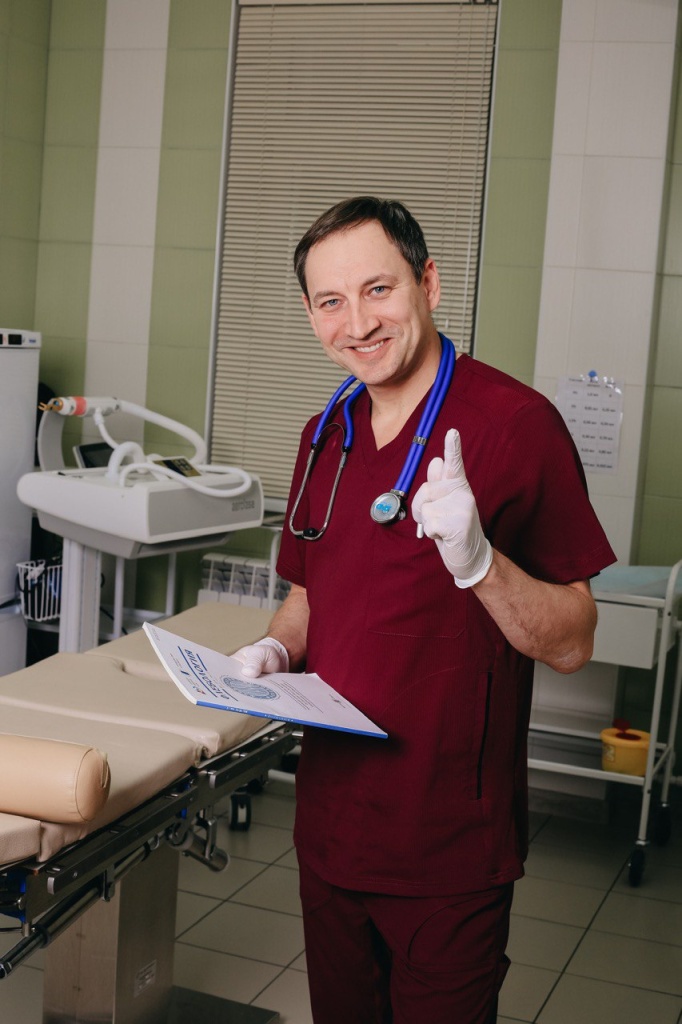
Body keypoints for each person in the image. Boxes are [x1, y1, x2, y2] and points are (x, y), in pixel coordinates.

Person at [232, 196, 616, 1024]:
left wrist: (479, 563)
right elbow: (308, 596)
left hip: (447, 841)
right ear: (309, 314)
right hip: (331, 825)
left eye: (379, 290)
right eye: (331, 301)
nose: (357, 323)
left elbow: (576, 641)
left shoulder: (516, 426)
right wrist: (270, 654)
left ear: (428, 283)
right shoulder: (323, 433)